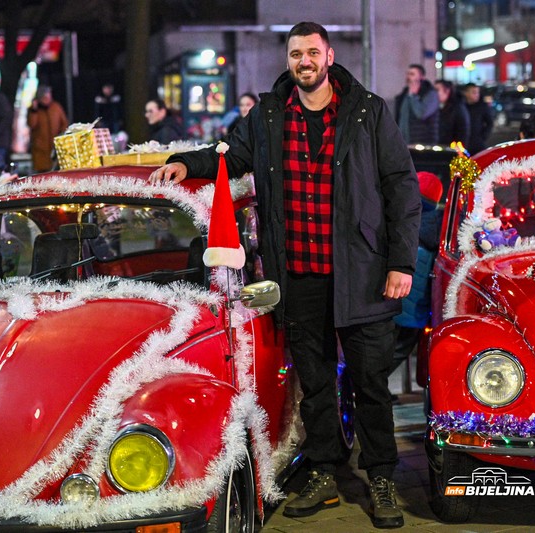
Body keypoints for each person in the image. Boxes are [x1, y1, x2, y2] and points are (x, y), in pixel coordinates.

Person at [150, 21, 419, 529]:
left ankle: (381, 476)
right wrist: (185, 164)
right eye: (296, 54)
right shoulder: (269, 116)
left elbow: (402, 189)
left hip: (360, 271)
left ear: (329, 55)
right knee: (314, 384)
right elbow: (229, 156)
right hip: (298, 275)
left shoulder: (367, 111)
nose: (304, 62)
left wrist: (401, 263)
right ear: (290, 60)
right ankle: (324, 473)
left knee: (370, 383)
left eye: (312, 53)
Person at [391, 172, 443, 378]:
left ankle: (364, 389)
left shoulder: (401, 221)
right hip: (415, 310)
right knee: (399, 350)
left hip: (390, 301)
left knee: (383, 351)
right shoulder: (437, 227)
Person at [27, 85, 69, 172]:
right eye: (45, 97)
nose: (48, 99)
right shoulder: (34, 110)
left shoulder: (56, 107)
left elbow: (64, 123)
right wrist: (34, 110)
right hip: (41, 150)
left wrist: (62, 135)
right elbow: (32, 124)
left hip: (55, 147)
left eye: (49, 96)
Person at [394, 64, 439, 144]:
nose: (408, 77)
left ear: (422, 77)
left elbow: (421, 114)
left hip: (423, 143)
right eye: (407, 74)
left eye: (412, 74)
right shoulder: (404, 95)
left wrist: (413, 96)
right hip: (405, 143)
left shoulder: (430, 94)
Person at [434, 79, 470, 147]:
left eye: (437, 90)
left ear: (447, 91)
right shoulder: (438, 107)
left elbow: (463, 132)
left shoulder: (458, 108)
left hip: (451, 151)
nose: (434, 93)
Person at [463, 82, 494, 155]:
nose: (477, 95)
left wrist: (483, 137)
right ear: (466, 93)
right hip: (463, 144)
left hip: (478, 145)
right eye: (474, 93)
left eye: (477, 93)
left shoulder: (482, 106)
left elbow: (490, 123)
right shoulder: (461, 107)